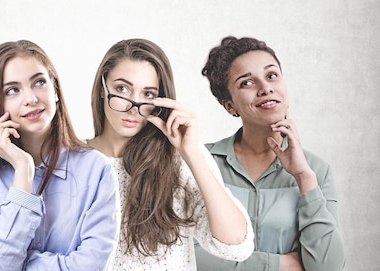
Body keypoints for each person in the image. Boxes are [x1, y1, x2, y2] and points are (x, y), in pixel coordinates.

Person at [87, 38, 254, 270]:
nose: (133, 106)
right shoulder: (72, 160)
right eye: (122, 88)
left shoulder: (178, 159)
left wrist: (192, 153)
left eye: (148, 94)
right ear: (103, 90)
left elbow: (236, 245)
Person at [0, 40, 119, 270]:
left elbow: (92, 266)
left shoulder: (96, 169)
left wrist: (20, 264)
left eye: (39, 82)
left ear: (55, 89)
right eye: (12, 90)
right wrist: (23, 171)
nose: (31, 98)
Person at [196, 36, 346, 270]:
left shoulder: (316, 171)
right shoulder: (203, 163)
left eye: (272, 75)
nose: (265, 88)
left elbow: (328, 267)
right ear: (229, 105)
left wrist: (304, 179)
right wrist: (278, 265)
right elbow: (188, 255)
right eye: (247, 82)